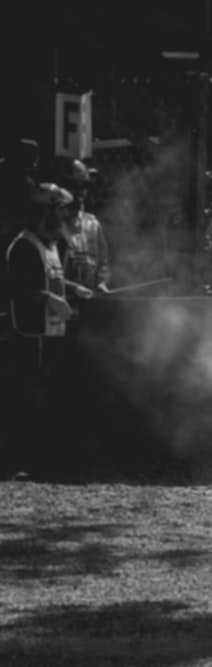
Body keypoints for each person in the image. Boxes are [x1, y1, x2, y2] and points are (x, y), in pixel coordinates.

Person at [3, 182, 93, 477]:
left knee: (46, 394)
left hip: (51, 333)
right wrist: (52, 299)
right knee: (28, 396)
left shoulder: (50, 246)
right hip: (30, 334)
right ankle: (20, 460)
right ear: (45, 212)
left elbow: (48, 278)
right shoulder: (23, 246)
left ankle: (41, 458)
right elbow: (23, 287)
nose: (63, 215)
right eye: (58, 209)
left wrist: (72, 288)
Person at [57, 158, 110, 294]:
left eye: (85, 185)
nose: (81, 191)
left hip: (87, 301)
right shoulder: (53, 224)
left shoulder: (92, 224)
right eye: (75, 185)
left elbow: (102, 263)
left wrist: (101, 283)